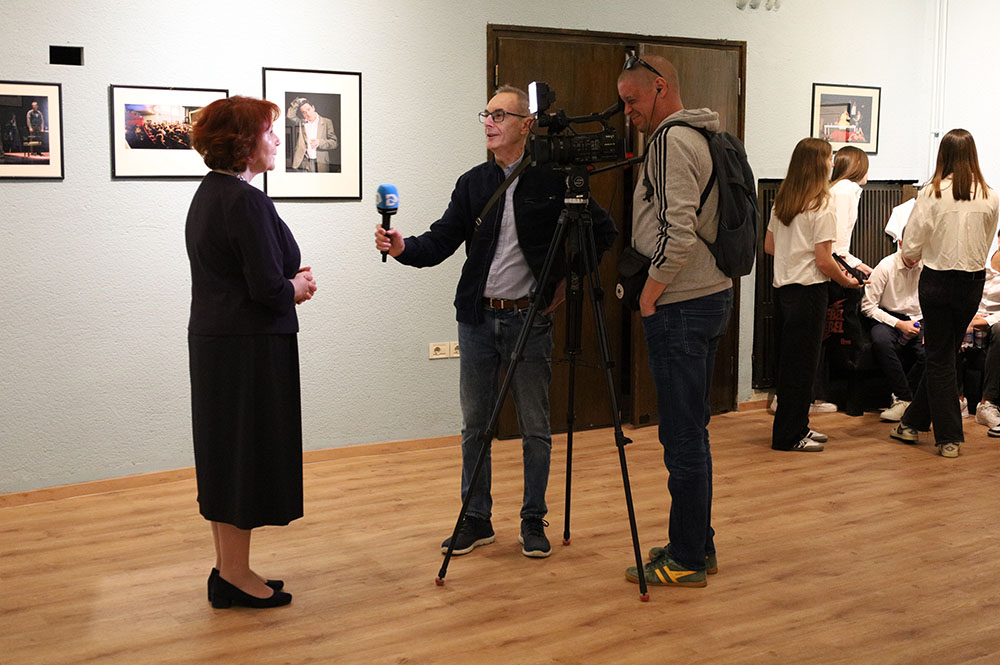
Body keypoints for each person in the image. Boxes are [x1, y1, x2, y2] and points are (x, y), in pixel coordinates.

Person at [374, 85, 616, 559]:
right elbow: (441, 240)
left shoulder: (555, 180)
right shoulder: (473, 183)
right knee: (475, 425)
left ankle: (532, 518)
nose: (489, 122)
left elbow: (602, 233)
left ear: (527, 124)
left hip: (530, 319)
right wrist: (403, 247)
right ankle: (476, 518)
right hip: (478, 320)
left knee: (535, 427)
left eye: (501, 115)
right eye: (486, 114)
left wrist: (565, 282)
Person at [186, 95, 317, 608]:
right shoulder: (245, 201)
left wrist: (285, 283)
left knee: (226, 457)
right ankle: (235, 575)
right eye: (268, 132)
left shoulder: (211, 193)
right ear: (243, 143)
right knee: (243, 459)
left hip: (220, 344)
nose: (277, 140)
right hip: (248, 349)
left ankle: (229, 570)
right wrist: (295, 288)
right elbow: (265, 286)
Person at [615, 54, 732, 589]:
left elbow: (678, 230)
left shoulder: (670, 141)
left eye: (632, 100)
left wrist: (649, 295)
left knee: (682, 437)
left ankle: (686, 559)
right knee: (691, 432)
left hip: (681, 304)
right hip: (707, 297)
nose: (628, 112)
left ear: (660, 87)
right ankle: (696, 542)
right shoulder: (701, 134)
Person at [889, 128, 999, 458]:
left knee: (939, 358)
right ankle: (911, 424)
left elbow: (911, 246)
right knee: (945, 354)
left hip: (937, 281)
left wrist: (916, 254)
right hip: (972, 283)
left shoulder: (931, 193)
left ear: (943, 156)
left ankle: (949, 437)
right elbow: (986, 242)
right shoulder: (990, 195)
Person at [765, 138, 862, 454]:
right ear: (819, 164)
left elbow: (769, 246)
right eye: (830, 158)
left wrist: (793, 255)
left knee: (789, 365)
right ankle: (788, 436)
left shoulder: (783, 202)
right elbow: (824, 260)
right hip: (809, 293)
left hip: (784, 292)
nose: (833, 163)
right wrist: (847, 281)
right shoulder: (822, 205)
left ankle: (798, 427)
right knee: (803, 367)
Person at [860, 247, 924, 422]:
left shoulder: (927, 266)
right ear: (902, 243)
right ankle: (903, 398)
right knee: (881, 341)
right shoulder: (886, 266)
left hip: (919, 317)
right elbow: (868, 306)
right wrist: (899, 324)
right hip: (888, 317)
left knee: (930, 351)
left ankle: (909, 397)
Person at [971, 243, 1000, 429]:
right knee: (949, 324)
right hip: (973, 312)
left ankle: (986, 403)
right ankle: (958, 399)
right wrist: (969, 317)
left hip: (996, 319)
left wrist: (986, 321)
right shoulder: (981, 255)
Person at [286, 97, 338, 172]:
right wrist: (297, 102)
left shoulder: (326, 122)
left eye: (309, 109)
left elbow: (334, 143)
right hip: (304, 162)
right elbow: (290, 115)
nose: (308, 113)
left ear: (313, 108)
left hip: (321, 161)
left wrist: (320, 142)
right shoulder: (302, 122)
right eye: (304, 112)